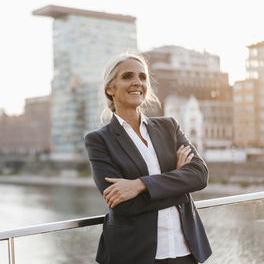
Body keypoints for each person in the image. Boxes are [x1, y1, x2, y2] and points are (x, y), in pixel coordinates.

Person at [84, 53, 212, 264]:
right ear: (110, 88)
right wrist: (179, 183)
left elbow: (200, 175)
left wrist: (140, 185)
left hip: (186, 251)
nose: (137, 82)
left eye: (143, 77)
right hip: (136, 255)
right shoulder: (99, 140)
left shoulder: (169, 126)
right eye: (127, 76)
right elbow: (123, 205)